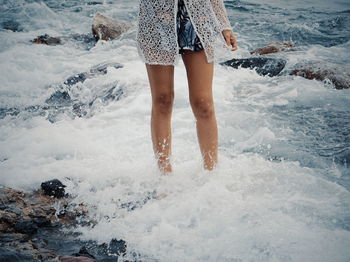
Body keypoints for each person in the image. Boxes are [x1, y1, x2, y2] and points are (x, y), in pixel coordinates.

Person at [136, 0, 238, 174]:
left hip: (197, 19)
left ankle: (212, 174)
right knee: (163, 100)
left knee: (204, 103)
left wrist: (224, 25)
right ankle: (165, 176)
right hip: (156, 21)